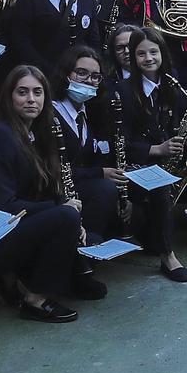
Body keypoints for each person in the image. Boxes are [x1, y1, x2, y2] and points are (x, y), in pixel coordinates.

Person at [0, 65, 102, 321]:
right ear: (9, 97)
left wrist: (65, 207)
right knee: (65, 219)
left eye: (38, 93)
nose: (31, 100)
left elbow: (45, 187)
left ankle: (18, 277)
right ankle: (35, 299)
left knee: (87, 235)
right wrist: (61, 211)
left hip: (13, 224)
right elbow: (3, 205)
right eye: (22, 92)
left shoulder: (36, 131)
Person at [117, 27, 187, 282]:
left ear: (162, 53)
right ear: (133, 57)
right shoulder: (123, 91)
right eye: (141, 54)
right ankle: (168, 256)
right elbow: (121, 143)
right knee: (161, 187)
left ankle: (155, 236)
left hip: (162, 163)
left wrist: (186, 135)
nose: (148, 58)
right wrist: (158, 149)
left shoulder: (170, 82)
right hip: (133, 164)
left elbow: (175, 120)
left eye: (153, 52)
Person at [52, 44, 124, 245]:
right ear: (66, 74)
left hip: (76, 184)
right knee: (104, 189)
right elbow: (54, 169)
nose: (89, 81)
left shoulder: (86, 112)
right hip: (53, 189)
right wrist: (100, 173)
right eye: (81, 73)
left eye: (95, 76)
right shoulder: (51, 114)